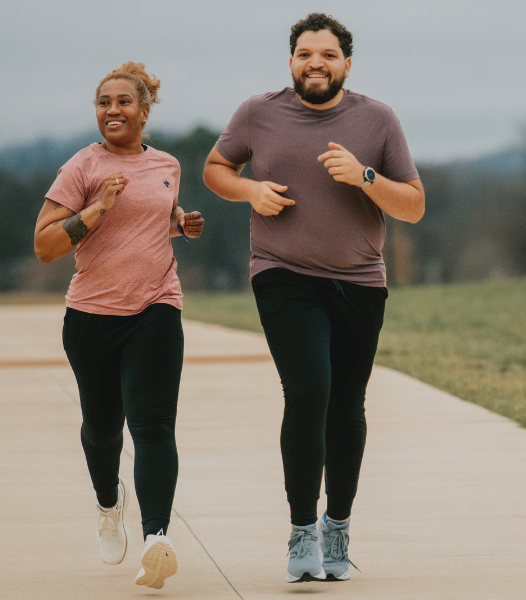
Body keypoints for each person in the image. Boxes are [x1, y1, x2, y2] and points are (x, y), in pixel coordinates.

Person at [203, 13, 424, 584]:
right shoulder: (258, 113)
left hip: (359, 279)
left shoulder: (377, 120)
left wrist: (365, 177)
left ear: (347, 63)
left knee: (346, 404)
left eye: (327, 54)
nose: (315, 63)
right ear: (292, 61)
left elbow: (413, 205)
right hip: (283, 272)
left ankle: (337, 526)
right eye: (304, 53)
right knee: (308, 390)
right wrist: (250, 189)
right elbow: (216, 167)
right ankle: (302, 531)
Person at [34, 62, 204, 589]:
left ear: (144, 111)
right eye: (104, 102)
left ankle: (156, 538)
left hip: (156, 307)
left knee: (152, 423)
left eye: (123, 102)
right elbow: (44, 246)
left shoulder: (167, 165)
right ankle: (109, 504)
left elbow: (156, 215)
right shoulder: (80, 168)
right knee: (103, 428)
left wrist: (180, 223)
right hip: (91, 316)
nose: (113, 110)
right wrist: (97, 209)